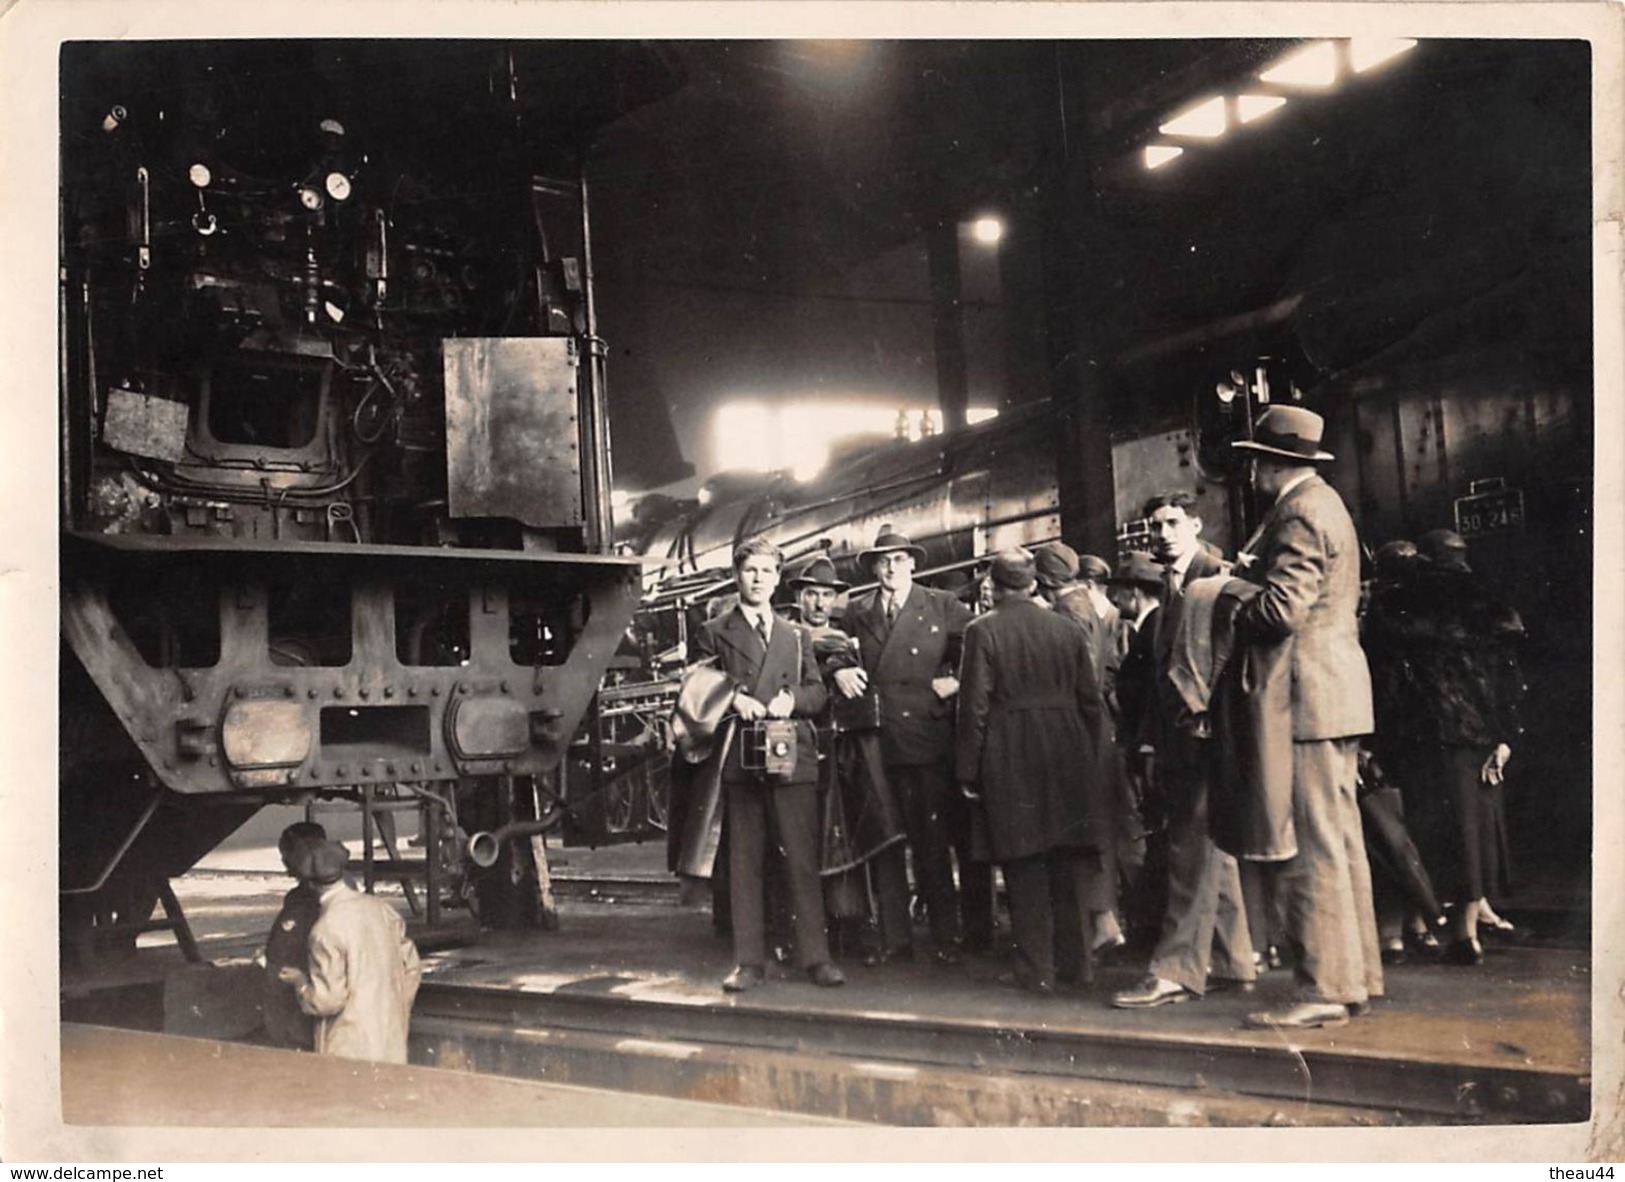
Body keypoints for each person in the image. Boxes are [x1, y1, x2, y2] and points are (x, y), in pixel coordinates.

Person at [1228, 405, 1381, 1030]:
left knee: (1313, 847)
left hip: (1305, 699)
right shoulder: (1329, 505)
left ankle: (1324, 988)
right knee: (1342, 840)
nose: (1249, 471)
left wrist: (1231, 591)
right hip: (1340, 693)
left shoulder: (1295, 513)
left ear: (1271, 464)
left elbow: (1281, 611)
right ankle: (1357, 975)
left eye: (1254, 460)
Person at [1113, 491, 1257, 1011]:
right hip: (1183, 740)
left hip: (1207, 739)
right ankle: (1233, 960)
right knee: (1208, 850)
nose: (1164, 533)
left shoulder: (1216, 577)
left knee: (1188, 851)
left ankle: (1174, 970)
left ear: (1195, 524)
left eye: (1174, 522)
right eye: (1156, 525)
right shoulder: (1178, 582)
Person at [690, 537, 844, 992]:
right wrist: (735, 698)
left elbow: (817, 692)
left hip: (790, 754)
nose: (758, 579)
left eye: (767, 572)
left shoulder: (796, 636)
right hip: (741, 758)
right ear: (737, 575)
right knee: (746, 863)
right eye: (750, 570)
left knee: (800, 859)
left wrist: (790, 698)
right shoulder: (714, 630)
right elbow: (696, 688)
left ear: (778, 580)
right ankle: (748, 962)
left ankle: (816, 957)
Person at [955, 548, 1111, 995]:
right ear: (1033, 584)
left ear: (996, 586)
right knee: (1067, 860)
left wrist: (968, 769)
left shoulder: (982, 631)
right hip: (1067, 749)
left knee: (1023, 863)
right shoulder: (1065, 629)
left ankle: (1036, 969)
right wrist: (1085, 750)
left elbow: (975, 707)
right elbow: (1090, 700)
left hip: (1011, 752)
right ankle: (1078, 965)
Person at [1381, 527, 1527, 965]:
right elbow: (1508, 674)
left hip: (1417, 730)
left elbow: (1386, 672)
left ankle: (1419, 923)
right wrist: (1505, 735)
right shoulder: (1486, 600)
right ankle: (1465, 932)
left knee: (1416, 828)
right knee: (1471, 828)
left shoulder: (1401, 601)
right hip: (1473, 729)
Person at [840, 529, 979, 962]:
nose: (891, 568)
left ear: (914, 564)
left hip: (925, 739)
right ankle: (894, 939)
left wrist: (955, 681)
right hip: (878, 741)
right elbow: (837, 654)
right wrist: (839, 670)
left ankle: (945, 939)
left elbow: (981, 648)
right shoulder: (856, 612)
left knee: (931, 841)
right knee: (885, 842)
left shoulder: (941, 605)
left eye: (899, 560)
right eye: (883, 561)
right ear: (873, 568)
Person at [787, 554, 913, 966]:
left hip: (847, 752)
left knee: (852, 834)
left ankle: (860, 928)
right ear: (799, 598)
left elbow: (848, 667)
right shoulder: (786, 638)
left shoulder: (844, 638)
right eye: (812, 595)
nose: (820, 604)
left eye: (827, 595)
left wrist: (839, 668)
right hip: (801, 750)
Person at [1035, 542, 1126, 955]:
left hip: (1077, 731)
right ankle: (1103, 919)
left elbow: (1080, 680)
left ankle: (1097, 924)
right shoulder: (1092, 606)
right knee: (1096, 828)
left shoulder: (1064, 615)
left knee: (1080, 830)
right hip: (1096, 726)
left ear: (1044, 581)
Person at [279, 841, 423, 1063]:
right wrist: (395, 1008)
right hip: (389, 1035)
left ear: (310, 883)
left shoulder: (325, 930)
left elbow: (328, 1000)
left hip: (350, 1046)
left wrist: (301, 982)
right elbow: (411, 967)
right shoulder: (381, 909)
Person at [260, 821, 328, 1050]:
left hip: (299, 995)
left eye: (287, 855)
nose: (284, 862)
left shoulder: (315, 897)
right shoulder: (299, 896)